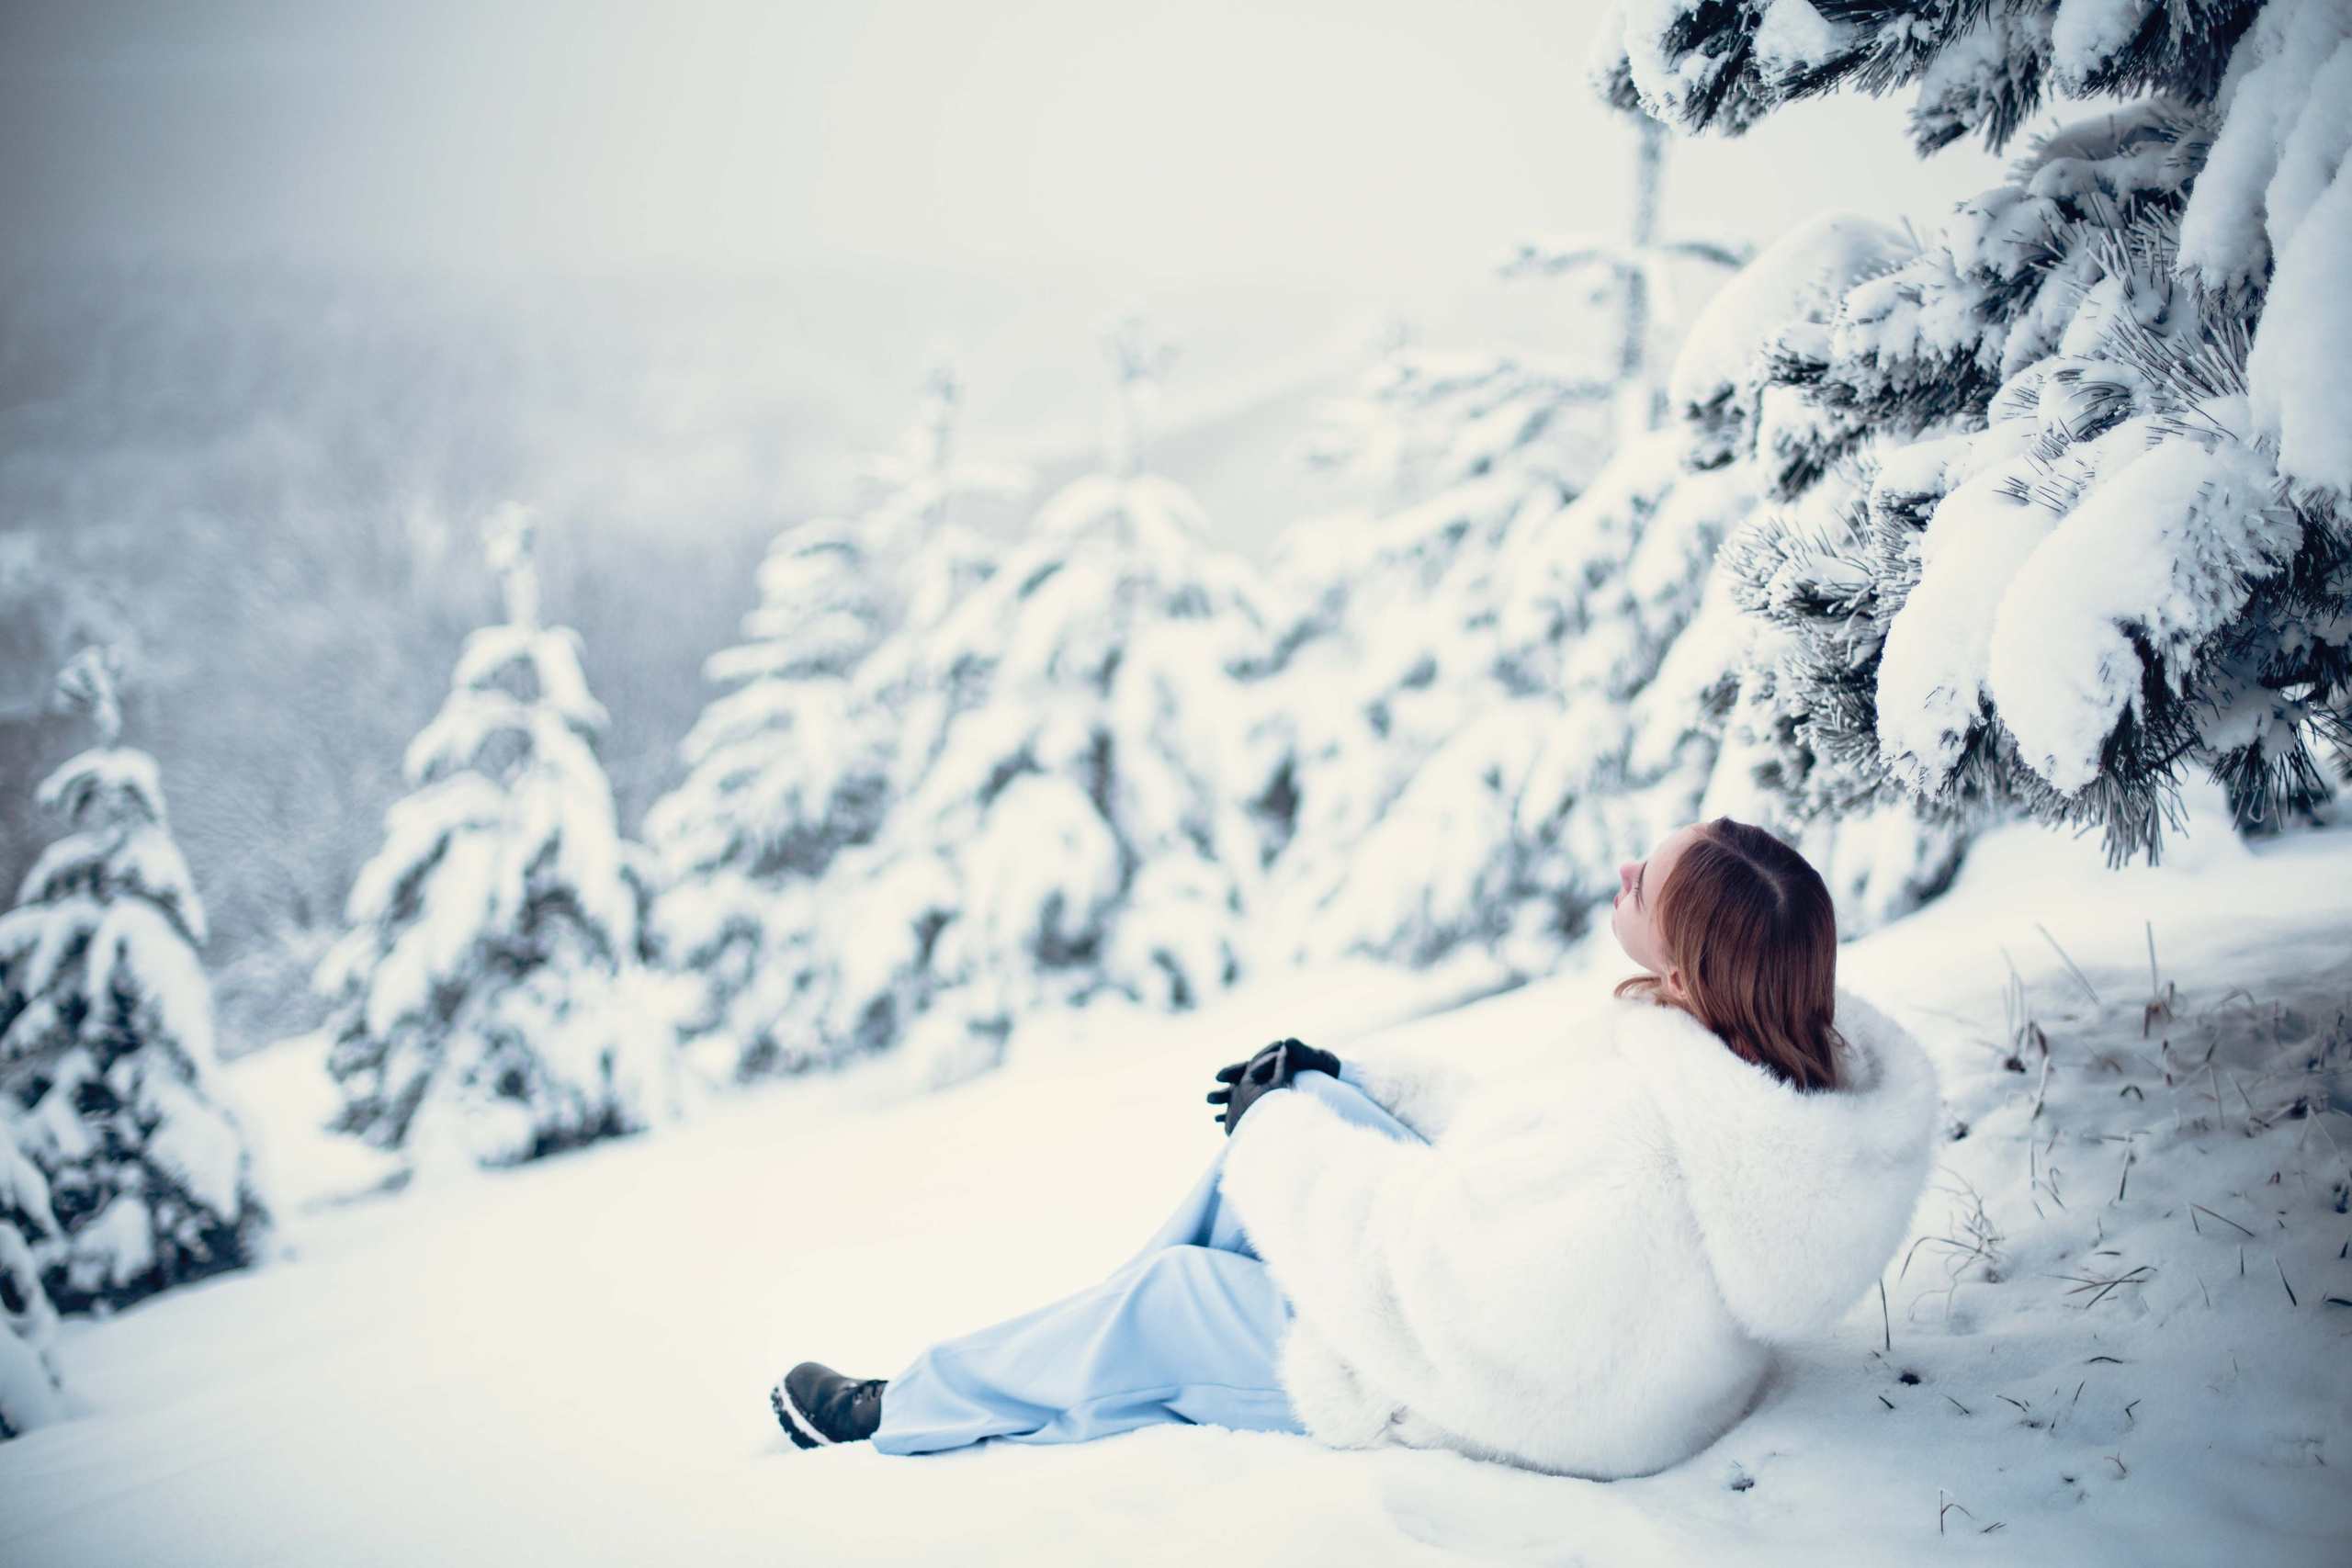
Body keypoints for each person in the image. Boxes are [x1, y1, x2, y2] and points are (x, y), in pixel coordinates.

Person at [770, 818, 1938, 1479]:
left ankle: (904, 1406)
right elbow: (1522, 1164)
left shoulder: (1641, 1138)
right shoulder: (1736, 1061)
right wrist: (1333, 1093)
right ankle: (1090, 1330)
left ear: (1683, 963)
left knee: (1180, 1291)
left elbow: (1453, 1285)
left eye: (1652, 879)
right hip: (1621, 1359)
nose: (1628, 865)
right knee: (1302, 1111)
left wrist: (1279, 1144)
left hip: (1528, 1397)